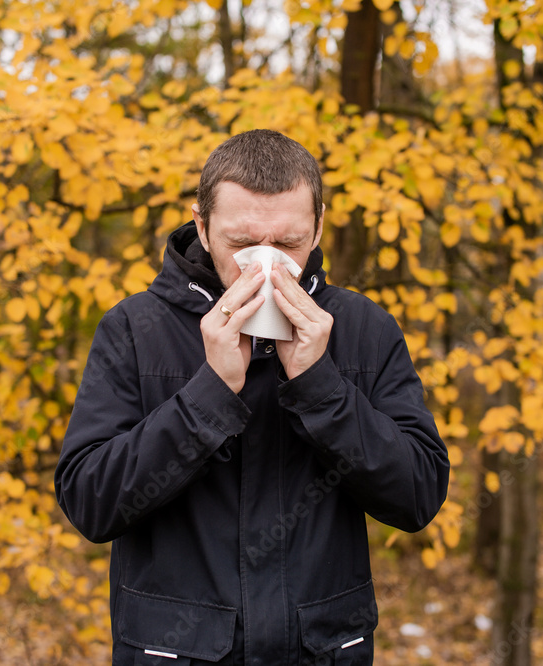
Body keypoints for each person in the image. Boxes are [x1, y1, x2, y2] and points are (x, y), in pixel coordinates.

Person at [55, 129, 450, 665]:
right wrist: (208, 395)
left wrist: (321, 388)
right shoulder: (134, 329)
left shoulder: (363, 328)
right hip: (173, 652)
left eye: (286, 244)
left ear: (317, 229)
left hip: (323, 650)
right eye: (242, 245)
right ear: (202, 225)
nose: (264, 264)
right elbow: (90, 502)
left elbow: (418, 494)